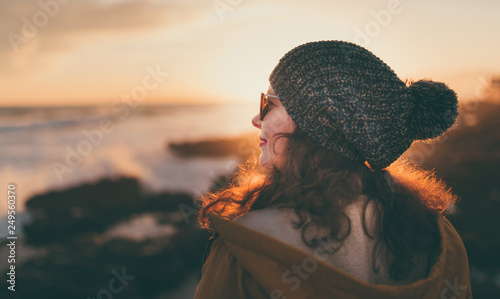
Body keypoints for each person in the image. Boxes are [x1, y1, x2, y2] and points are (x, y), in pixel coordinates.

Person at [194, 40, 473, 299]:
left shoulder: (245, 246)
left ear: (316, 124)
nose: (256, 119)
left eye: (268, 104)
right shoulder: (439, 240)